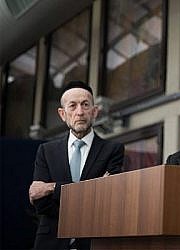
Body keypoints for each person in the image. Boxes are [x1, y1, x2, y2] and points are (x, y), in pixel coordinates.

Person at [28, 80, 124, 250]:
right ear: (62, 114)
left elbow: (108, 199)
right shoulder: (46, 151)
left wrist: (52, 188)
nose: (79, 112)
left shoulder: (113, 150)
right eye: (72, 106)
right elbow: (41, 203)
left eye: (85, 105)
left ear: (94, 112)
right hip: (51, 242)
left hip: (94, 242)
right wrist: (92, 192)